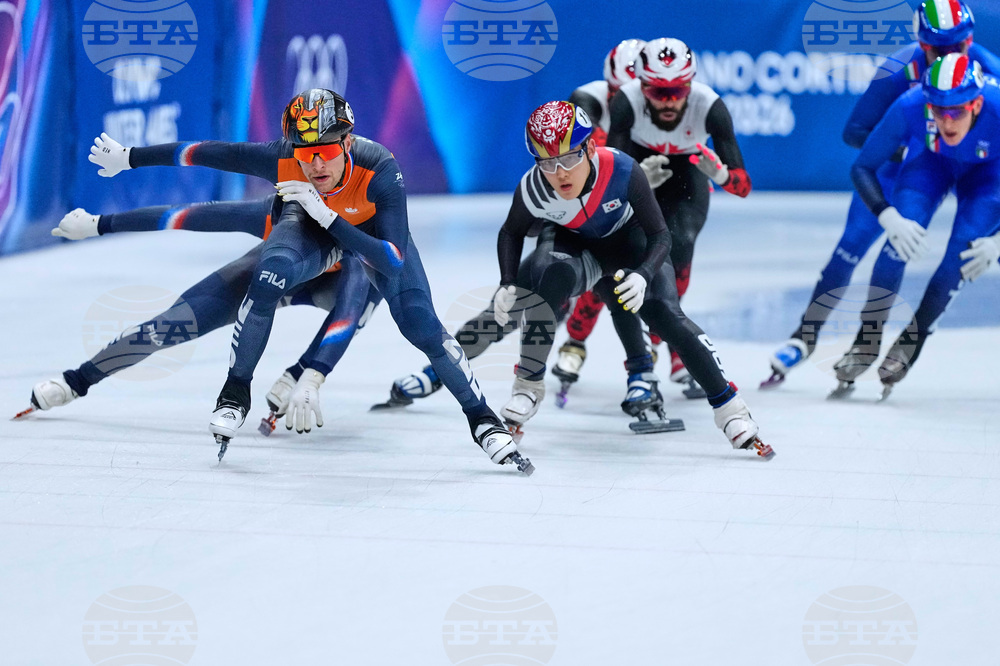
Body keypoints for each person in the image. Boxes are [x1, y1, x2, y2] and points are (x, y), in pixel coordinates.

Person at [86, 88, 533, 473]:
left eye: (327, 152)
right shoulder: (282, 159)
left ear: (348, 142)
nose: (316, 165)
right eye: (305, 153)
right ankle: (235, 391)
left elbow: (392, 261)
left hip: (368, 240)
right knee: (267, 277)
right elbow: (209, 153)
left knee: (420, 323)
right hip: (308, 228)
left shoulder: (380, 167)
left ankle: (482, 420)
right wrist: (130, 159)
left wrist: (308, 372)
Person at [379, 101, 773, 459]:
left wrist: (643, 273)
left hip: (629, 247)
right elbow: (511, 232)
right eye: (547, 163)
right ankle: (507, 383)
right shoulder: (534, 187)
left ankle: (729, 408)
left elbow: (660, 236)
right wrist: (507, 282)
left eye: (568, 158)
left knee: (662, 313)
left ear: (590, 148)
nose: (560, 173)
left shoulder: (622, 169)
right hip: (572, 248)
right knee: (517, 304)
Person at [764, 0, 1000, 387]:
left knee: (963, 253)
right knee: (862, 242)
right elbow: (855, 135)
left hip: (985, 169)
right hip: (919, 160)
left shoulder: (992, 80)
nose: (947, 56)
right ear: (921, 46)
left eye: (957, 47)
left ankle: (913, 339)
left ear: (970, 43)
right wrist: (904, 152)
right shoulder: (903, 82)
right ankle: (817, 336)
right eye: (937, 50)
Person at [17, 198, 377, 436]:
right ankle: (77, 380)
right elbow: (184, 215)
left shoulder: (361, 243)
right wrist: (99, 224)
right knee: (166, 327)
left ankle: (295, 372)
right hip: (271, 273)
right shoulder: (277, 211)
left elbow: (349, 312)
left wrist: (307, 374)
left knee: (368, 295)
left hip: (338, 286)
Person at [831, 53, 1000, 398]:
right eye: (938, 111)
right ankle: (867, 338)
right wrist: (886, 215)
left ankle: (915, 336)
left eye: (957, 111)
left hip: (988, 176)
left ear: (978, 104)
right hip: (931, 164)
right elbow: (862, 167)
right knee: (898, 241)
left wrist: (997, 243)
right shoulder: (911, 105)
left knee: (963, 254)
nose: (947, 122)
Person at [591, 37, 751, 399]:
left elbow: (743, 186)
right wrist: (632, 180)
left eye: (677, 91)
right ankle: (596, 343)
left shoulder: (711, 106)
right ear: (641, 86)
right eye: (657, 91)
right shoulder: (626, 101)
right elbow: (605, 179)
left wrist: (722, 175)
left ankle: (668, 339)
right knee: (617, 252)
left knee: (680, 244)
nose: (668, 101)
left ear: (691, 85)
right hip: (639, 167)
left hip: (688, 175)